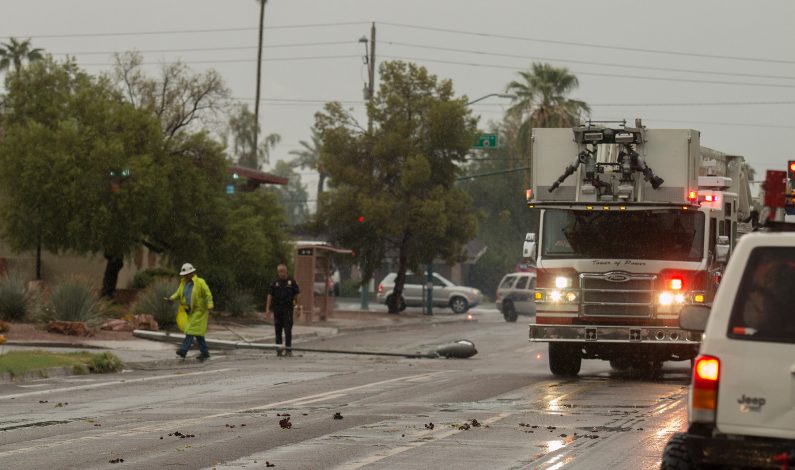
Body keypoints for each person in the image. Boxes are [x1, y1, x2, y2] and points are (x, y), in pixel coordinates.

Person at [170, 263, 214, 361]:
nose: (186, 276)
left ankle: (183, 350)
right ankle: (205, 352)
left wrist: (210, 305)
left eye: (188, 274)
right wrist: (171, 298)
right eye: (184, 275)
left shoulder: (200, 282)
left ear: (192, 273)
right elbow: (178, 293)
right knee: (198, 333)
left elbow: (208, 294)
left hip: (200, 311)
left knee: (190, 330)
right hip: (190, 311)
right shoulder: (183, 283)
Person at [266, 263, 301, 357]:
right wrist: (267, 309)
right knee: (278, 330)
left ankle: (288, 350)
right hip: (277, 310)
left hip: (288, 310)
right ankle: (279, 350)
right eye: (279, 272)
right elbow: (270, 295)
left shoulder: (291, 282)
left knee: (288, 330)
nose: (280, 273)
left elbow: (297, 295)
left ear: (286, 271)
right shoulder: (274, 283)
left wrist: (298, 307)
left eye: (282, 271)